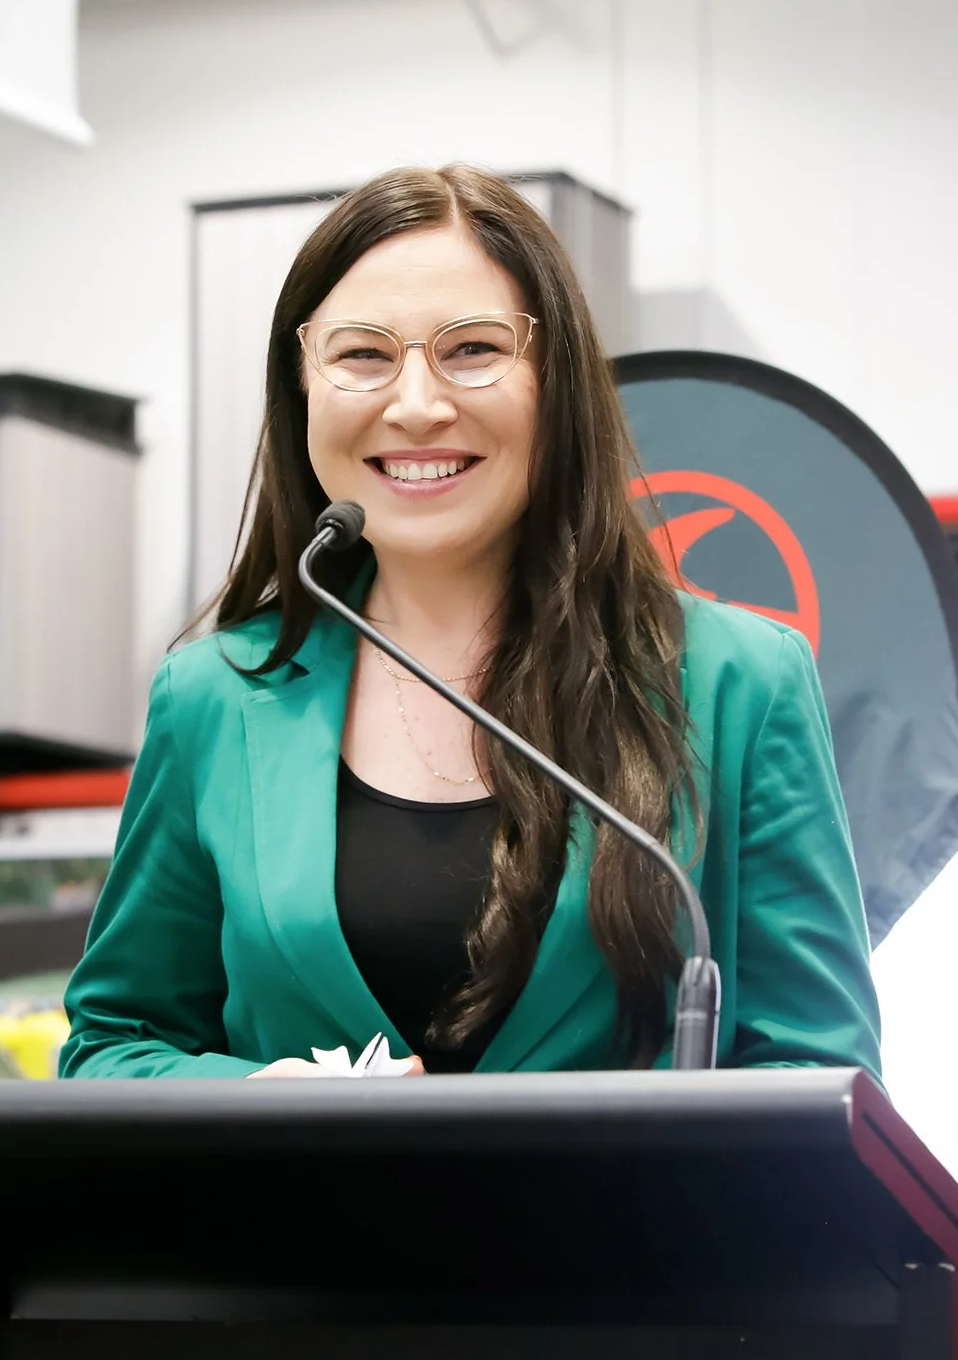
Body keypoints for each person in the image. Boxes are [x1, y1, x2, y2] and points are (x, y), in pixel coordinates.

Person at [60, 164, 882, 1080]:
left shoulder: (740, 681)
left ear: (556, 380)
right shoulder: (213, 699)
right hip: (296, 1224)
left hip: (624, 1227)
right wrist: (254, 1098)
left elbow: (816, 1072)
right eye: (363, 354)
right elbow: (112, 1047)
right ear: (300, 387)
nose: (416, 405)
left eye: (473, 350)